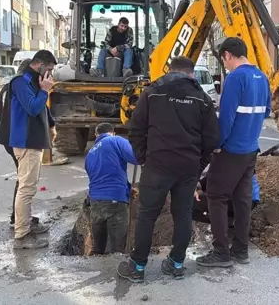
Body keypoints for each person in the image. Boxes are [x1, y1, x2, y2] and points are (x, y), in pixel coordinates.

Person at [117, 56, 219, 282]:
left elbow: (136, 129)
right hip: (188, 167)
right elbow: (212, 139)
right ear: (191, 74)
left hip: (157, 165)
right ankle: (176, 263)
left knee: (147, 215)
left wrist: (144, 159)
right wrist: (198, 164)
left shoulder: (153, 93)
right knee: (182, 215)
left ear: (170, 70)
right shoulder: (202, 99)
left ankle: (138, 266)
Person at [196, 37, 270, 268]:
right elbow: (266, 111)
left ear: (228, 55)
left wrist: (217, 144)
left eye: (223, 61)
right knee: (242, 200)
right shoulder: (262, 77)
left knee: (216, 197)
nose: (224, 65)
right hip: (250, 150)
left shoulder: (235, 78)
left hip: (231, 150)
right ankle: (240, 250)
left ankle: (221, 253)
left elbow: (226, 118)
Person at [0, 59, 58, 229]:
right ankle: (19, 221)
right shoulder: (19, 85)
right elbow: (31, 109)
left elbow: (43, 109)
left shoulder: (27, 85)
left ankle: (20, 218)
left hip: (16, 138)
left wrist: (51, 125)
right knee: (25, 182)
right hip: (16, 139)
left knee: (24, 179)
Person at [85, 122, 138, 255]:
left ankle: (94, 273)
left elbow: (102, 177)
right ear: (112, 132)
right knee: (117, 251)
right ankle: (114, 274)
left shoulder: (90, 154)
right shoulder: (115, 140)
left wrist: (128, 188)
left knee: (98, 249)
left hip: (96, 203)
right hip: (116, 202)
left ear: (96, 135)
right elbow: (137, 157)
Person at [192, 171, 260, 226]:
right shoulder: (239, 157)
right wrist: (195, 187)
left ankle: (228, 222)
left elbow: (215, 180)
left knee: (189, 205)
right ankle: (228, 220)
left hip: (241, 202)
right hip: (247, 202)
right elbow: (211, 178)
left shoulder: (229, 160)